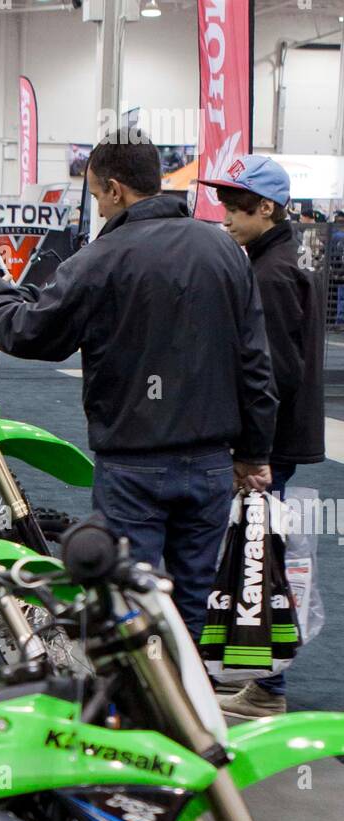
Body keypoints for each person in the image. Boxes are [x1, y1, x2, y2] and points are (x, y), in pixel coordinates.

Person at [0, 129, 277, 645]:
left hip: (135, 465)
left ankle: (141, 713)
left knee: (131, 606)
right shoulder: (224, 251)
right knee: (191, 603)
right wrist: (255, 452)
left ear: (114, 188)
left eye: (98, 194)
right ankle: (189, 709)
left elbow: (32, 330)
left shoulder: (102, 257)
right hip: (212, 460)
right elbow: (256, 363)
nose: (100, 207)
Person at [201, 155, 325, 719]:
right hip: (278, 438)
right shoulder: (283, 257)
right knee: (256, 556)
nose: (224, 214)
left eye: (235, 205)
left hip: (269, 445)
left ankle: (269, 687)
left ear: (266, 208)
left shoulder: (271, 274)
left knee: (261, 561)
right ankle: (256, 676)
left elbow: (272, 372)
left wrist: (253, 453)